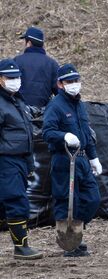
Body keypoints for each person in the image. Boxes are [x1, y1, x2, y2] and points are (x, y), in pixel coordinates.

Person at [42, 64, 102, 257]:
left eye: (76, 81)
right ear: (60, 84)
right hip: (64, 160)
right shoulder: (55, 106)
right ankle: (70, 243)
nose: (74, 85)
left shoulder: (79, 105)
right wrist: (64, 136)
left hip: (82, 160)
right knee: (67, 200)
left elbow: (87, 133)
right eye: (69, 82)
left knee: (93, 199)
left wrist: (93, 158)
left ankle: (76, 233)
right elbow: (47, 132)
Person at [0, 59, 43, 260]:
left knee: (14, 200)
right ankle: (21, 247)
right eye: (10, 77)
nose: (15, 81)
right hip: (6, 160)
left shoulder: (17, 100)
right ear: (0, 79)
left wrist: (29, 162)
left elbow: (25, 133)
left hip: (19, 158)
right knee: (16, 199)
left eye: (17, 77)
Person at [14, 26, 59, 109]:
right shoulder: (52, 64)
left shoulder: (17, 61)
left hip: (19, 112)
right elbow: (59, 92)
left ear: (29, 43)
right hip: (43, 114)